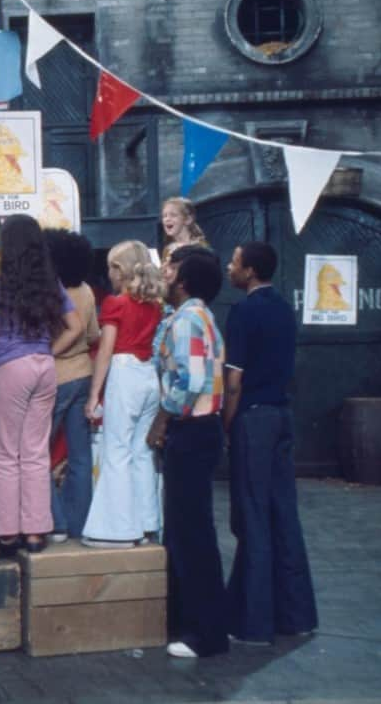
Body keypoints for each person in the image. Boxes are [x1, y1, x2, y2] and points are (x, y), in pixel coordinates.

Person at [223, 242, 318, 644]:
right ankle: (296, 616)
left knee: (254, 517)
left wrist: (227, 424)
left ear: (248, 271)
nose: (230, 266)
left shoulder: (243, 312)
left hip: (253, 419)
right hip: (282, 414)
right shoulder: (282, 308)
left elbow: (233, 381)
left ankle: (253, 623)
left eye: (235, 261)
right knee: (283, 515)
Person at [0, 215, 84, 555]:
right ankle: (37, 532)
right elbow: (76, 326)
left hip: (11, 366)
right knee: (36, 452)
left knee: (5, 452)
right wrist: (48, 351)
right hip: (45, 368)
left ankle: (8, 534)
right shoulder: (50, 283)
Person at [146, 251, 229, 658]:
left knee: (190, 532)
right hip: (199, 431)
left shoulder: (187, 320)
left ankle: (205, 634)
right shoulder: (193, 316)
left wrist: (162, 419)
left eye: (170, 268)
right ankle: (194, 624)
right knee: (189, 530)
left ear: (184, 280)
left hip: (191, 431)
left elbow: (192, 378)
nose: (163, 272)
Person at [82, 241, 164, 548]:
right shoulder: (154, 305)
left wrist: (94, 396)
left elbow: (105, 351)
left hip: (124, 372)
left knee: (116, 450)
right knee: (142, 453)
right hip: (148, 374)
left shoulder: (115, 304)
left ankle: (116, 529)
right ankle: (147, 524)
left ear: (119, 270)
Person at [42, 230, 100, 542]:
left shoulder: (49, 292)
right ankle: (79, 522)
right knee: (80, 455)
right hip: (83, 374)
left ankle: (56, 522)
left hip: (54, 376)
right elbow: (93, 335)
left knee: (38, 451)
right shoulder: (88, 291)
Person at [160, 197, 208, 265]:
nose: (167, 219)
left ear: (188, 219)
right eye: (164, 216)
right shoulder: (167, 250)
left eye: (173, 215)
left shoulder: (200, 247)